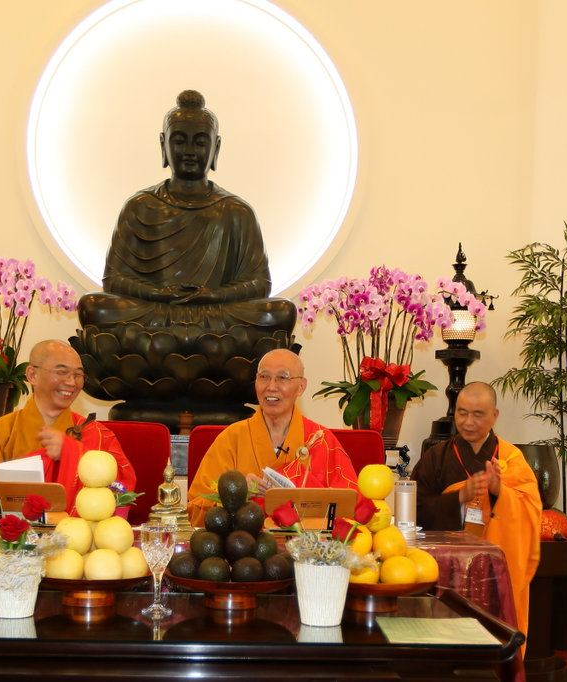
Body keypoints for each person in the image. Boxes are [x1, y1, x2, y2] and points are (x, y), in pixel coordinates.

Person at [78, 89, 295, 332]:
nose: (190, 151)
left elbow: (259, 283)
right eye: (180, 141)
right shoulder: (140, 206)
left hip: (213, 313)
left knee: (281, 311)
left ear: (216, 148)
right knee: (94, 306)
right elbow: (114, 279)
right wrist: (159, 293)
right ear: (163, 144)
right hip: (158, 311)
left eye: (200, 142)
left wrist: (214, 295)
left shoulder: (236, 211)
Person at [412, 381, 542, 641]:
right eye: (462, 413)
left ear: (495, 415)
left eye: (478, 414)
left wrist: (499, 492)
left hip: (491, 569)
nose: (468, 422)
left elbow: (529, 511)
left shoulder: (511, 460)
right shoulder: (435, 457)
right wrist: (460, 497)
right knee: (441, 634)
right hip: (445, 567)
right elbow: (417, 509)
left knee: (490, 635)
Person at [186, 349, 359, 526]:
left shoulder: (321, 440)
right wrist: (237, 491)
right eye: (264, 377)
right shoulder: (231, 439)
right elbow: (196, 509)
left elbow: (351, 506)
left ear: (301, 387)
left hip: (305, 542)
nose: (271, 386)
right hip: (244, 541)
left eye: (282, 378)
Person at [0, 340, 136, 511]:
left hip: (79, 528)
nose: (72, 382)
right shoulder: (0, 432)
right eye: (62, 372)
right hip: (17, 528)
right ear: (32, 375)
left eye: (78, 375)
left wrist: (73, 452)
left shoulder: (97, 435)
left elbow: (122, 491)